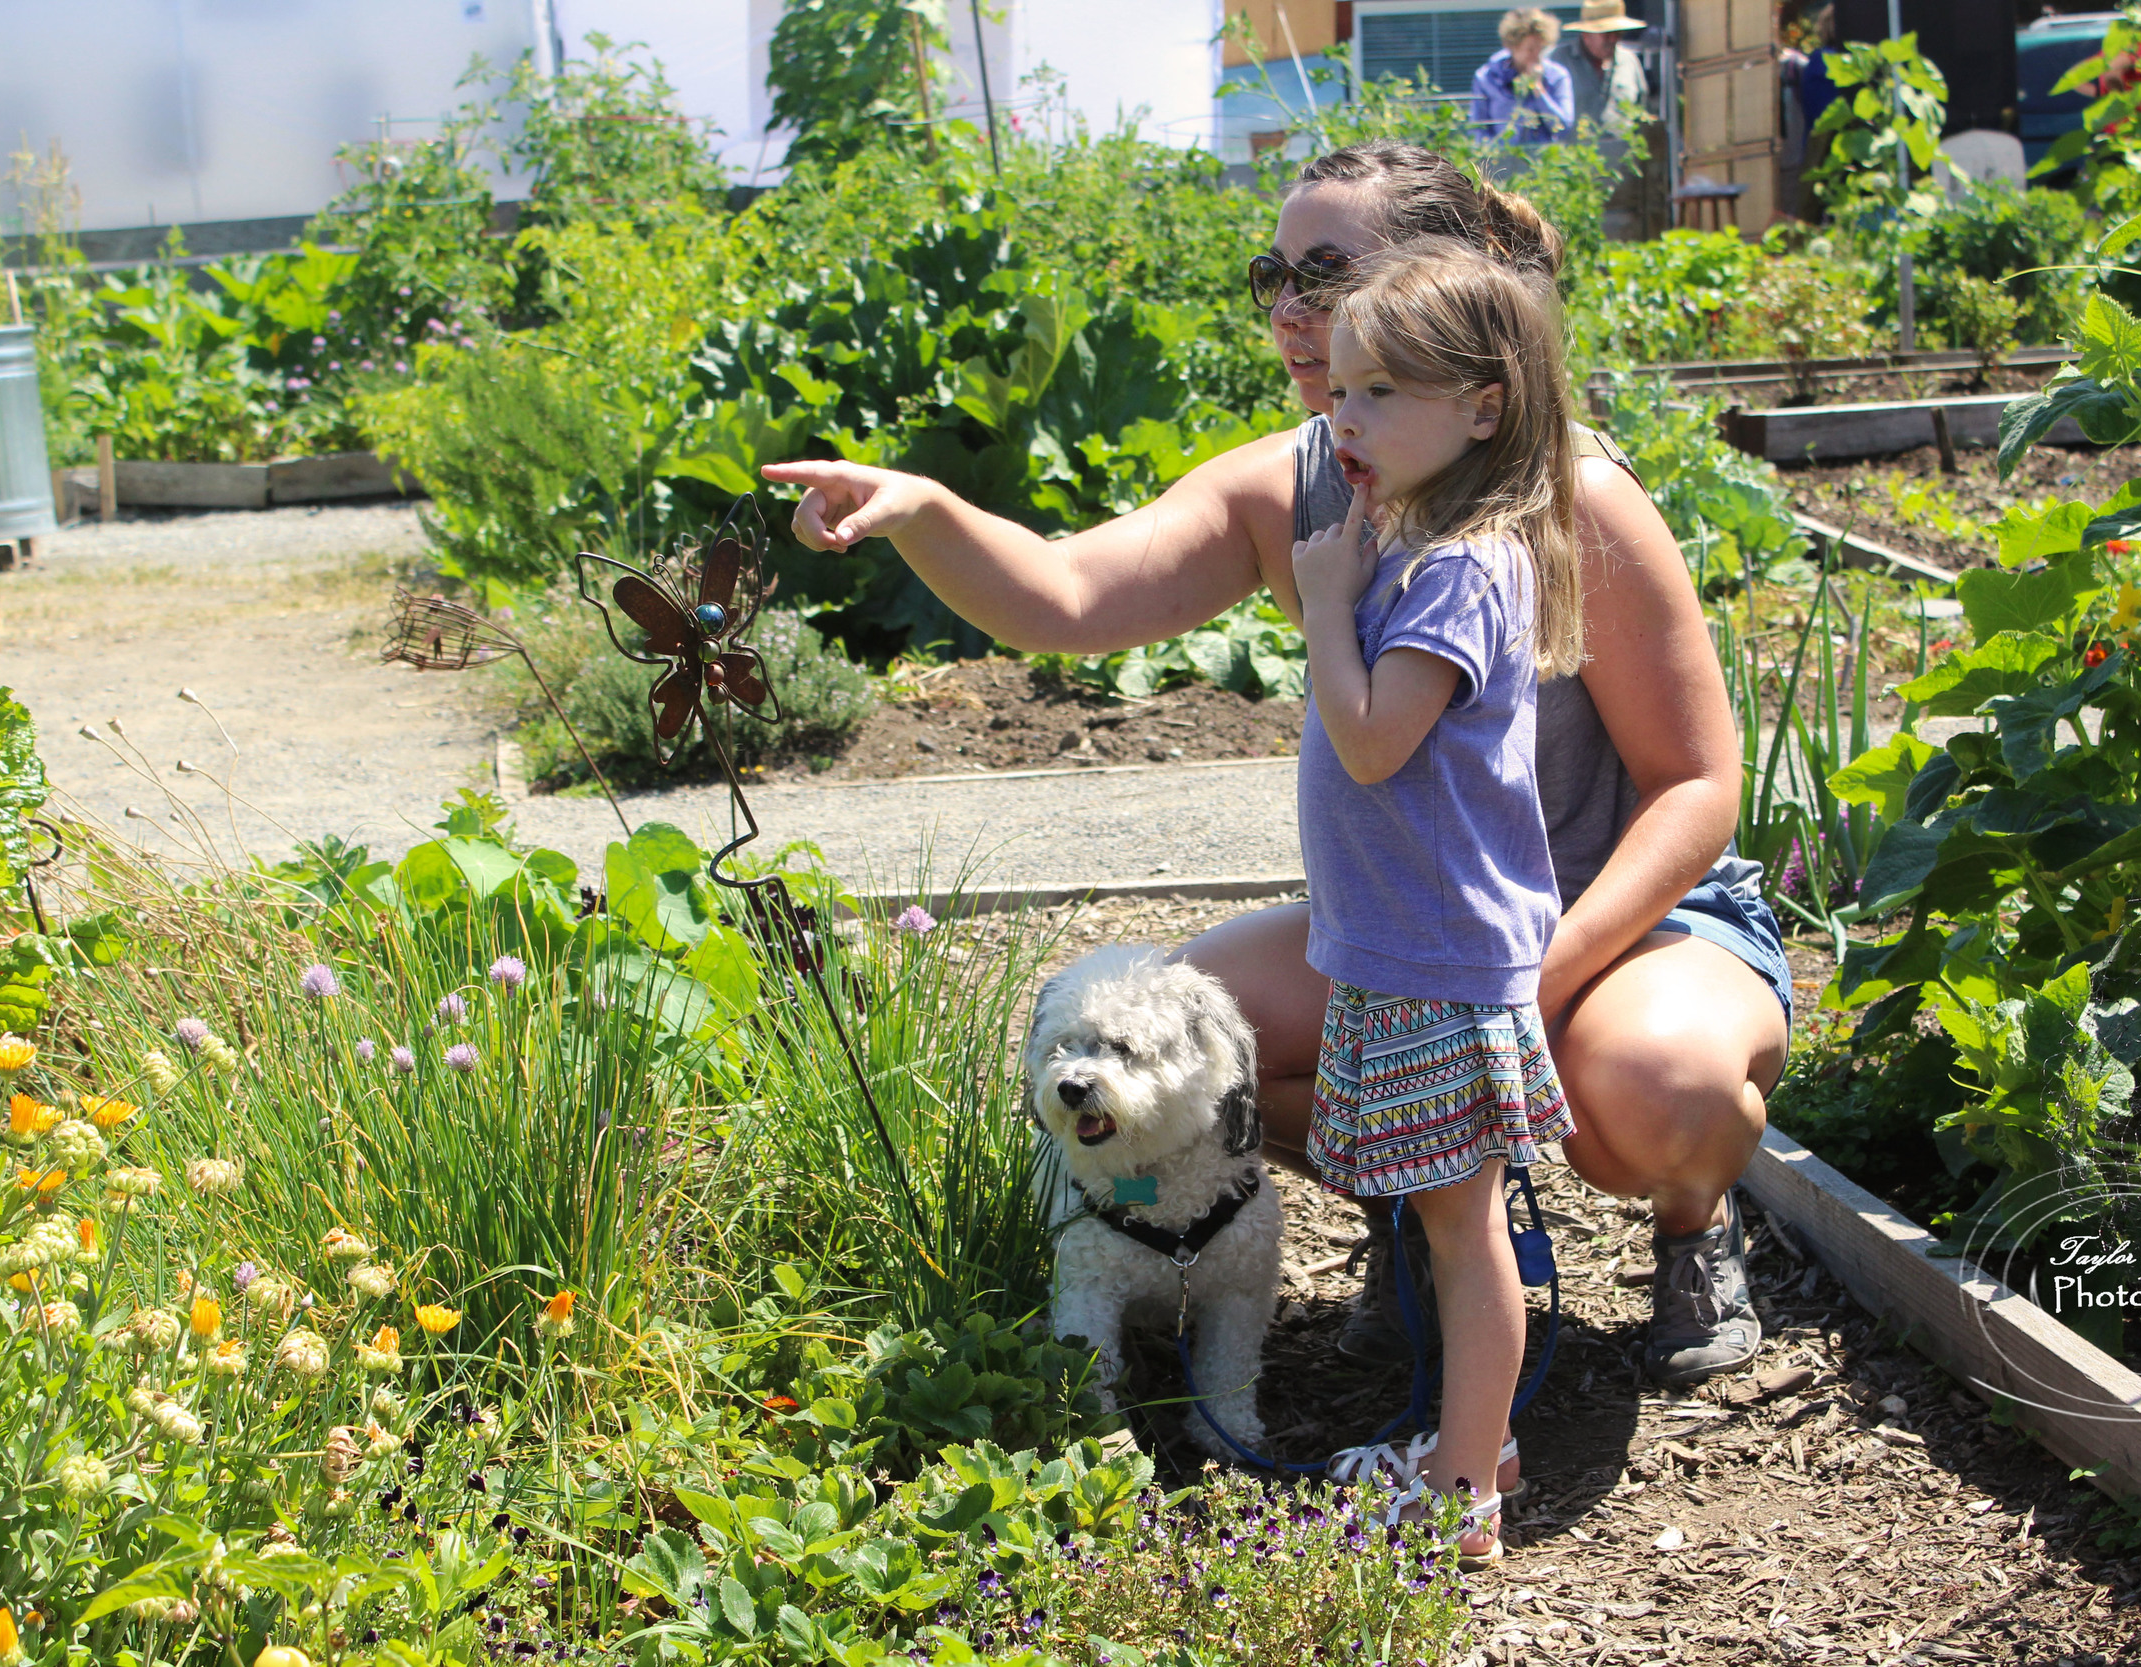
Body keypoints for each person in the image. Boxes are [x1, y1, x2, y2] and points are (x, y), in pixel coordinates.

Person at [761, 141, 1788, 1404]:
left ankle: (1694, 1220)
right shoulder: (1296, 479)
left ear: (1444, 287)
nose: (1291, 311)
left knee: (1653, 1089)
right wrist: (922, 505)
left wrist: (1538, 972)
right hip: (1424, 922)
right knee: (1189, 1048)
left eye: (1327, 271)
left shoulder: (1570, 495)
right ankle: (1420, 1204)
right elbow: (1070, 593)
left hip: (1630, 922)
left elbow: (1694, 785)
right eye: (1274, 275)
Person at [1290, 237, 1582, 1564]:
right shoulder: (1415, 539)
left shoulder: (1456, 565)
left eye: (1383, 394)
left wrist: (1323, 605)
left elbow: (1371, 740)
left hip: (1440, 960)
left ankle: (1463, 1494)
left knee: (1467, 1241)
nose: (1346, 415)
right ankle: (1476, 1442)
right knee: (1448, 1223)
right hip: (1401, 948)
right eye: (1343, 390)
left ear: (1483, 407)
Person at [1559, 0, 1652, 178]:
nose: (1613, 39)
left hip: (1623, 172)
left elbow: (1643, 113)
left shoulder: (1629, 61)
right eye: (1607, 33)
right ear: (1586, 34)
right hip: (1573, 173)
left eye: (1618, 33)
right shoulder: (1558, 62)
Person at [1470, 8, 1576, 153]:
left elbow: (1563, 127)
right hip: (1501, 162)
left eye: (1541, 48)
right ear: (1513, 47)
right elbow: (1477, 129)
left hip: (1544, 164)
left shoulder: (1558, 76)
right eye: (1530, 49)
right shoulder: (1486, 78)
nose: (1537, 56)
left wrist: (1538, 89)